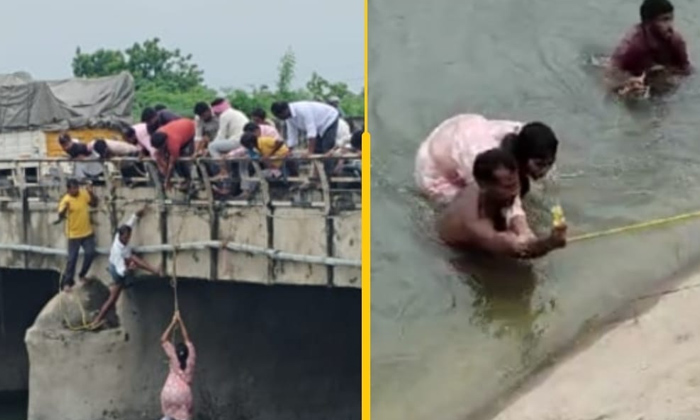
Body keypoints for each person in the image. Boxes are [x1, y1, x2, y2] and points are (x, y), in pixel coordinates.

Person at [437, 148, 567, 259]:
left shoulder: (495, 189)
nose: (514, 191)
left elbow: (515, 211)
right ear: (483, 185)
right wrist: (549, 243)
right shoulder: (475, 223)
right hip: (458, 252)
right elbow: (520, 250)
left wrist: (524, 231)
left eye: (516, 184)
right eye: (508, 187)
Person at [414, 114, 558, 205]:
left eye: (549, 164)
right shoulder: (484, 158)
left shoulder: (523, 134)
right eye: (539, 165)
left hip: (466, 128)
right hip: (435, 161)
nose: (545, 170)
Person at [91, 208, 162, 329]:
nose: (127, 239)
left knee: (133, 258)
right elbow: (121, 272)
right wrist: (130, 268)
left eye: (129, 237)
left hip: (122, 262)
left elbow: (131, 221)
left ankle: (153, 270)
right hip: (117, 270)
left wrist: (138, 213)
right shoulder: (118, 251)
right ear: (121, 236)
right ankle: (97, 320)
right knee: (113, 298)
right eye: (126, 238)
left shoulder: (123, 233)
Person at [606, 0, 691, 96]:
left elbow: (686, 71)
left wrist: (669, 76)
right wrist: (626, 85)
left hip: (657, 76)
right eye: (664, 20)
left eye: (671, 19)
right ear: (648, 23)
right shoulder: (632, 47)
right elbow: (610, 76)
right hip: (631, 73)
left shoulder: (676, 41)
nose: (670, 26)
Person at [271, 100, 340, 178]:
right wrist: (289, 150)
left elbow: (311, 131)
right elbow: (292, 134)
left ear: (285, 111)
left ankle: (328, 176)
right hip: (317, 125)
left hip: (328, 119)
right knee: (317, 151)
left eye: (280, 116)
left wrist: (309, 152)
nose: (280, 118)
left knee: (327, 148)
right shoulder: (288, 117)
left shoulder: (303, 110)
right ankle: (317, 177)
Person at [55, 179, 98, 291]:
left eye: (77, 187)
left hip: (87, 232)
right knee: (72, 259)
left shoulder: (83, 194)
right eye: (73, 188)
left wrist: (91, 193)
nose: (76, 190)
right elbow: (60, 215)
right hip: (73, 234)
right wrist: (65, 209)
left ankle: (82, 274)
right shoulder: (66, 200)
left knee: (90, 253)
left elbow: (94, 204)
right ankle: (67, 283)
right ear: (68, 189)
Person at [160, 311, 196, 420]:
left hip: (168, 393)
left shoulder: (174, 357)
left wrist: (173, 322)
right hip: (183, 396)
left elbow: (163, 339)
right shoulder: (191, 358)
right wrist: (181, 321)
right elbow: (187, 340)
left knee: (169, 417)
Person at [150, 119, 196, 190]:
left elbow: (171, 164)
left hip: (191, 131)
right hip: (180, 127)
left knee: (180, 160)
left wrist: (168, 180)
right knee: (166, 158)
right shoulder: (158, 133)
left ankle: (189, 181)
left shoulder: (173, 143)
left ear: (164, 143)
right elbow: (158, 153)